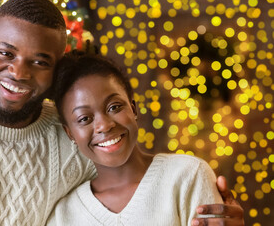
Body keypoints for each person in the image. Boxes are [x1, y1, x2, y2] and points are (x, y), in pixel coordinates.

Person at [0, 0, 243, 226]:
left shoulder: (68, 132)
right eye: (6, 53)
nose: (17, 73)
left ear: (56, 66)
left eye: (39, 61)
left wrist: (223, 210)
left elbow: (132, 168)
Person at [47, 52, 243, 226]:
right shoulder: (64, 215)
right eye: (84, 119)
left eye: (114, 107)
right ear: (70, 133)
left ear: (133, 109)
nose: (104, 125)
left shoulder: (187, 176)